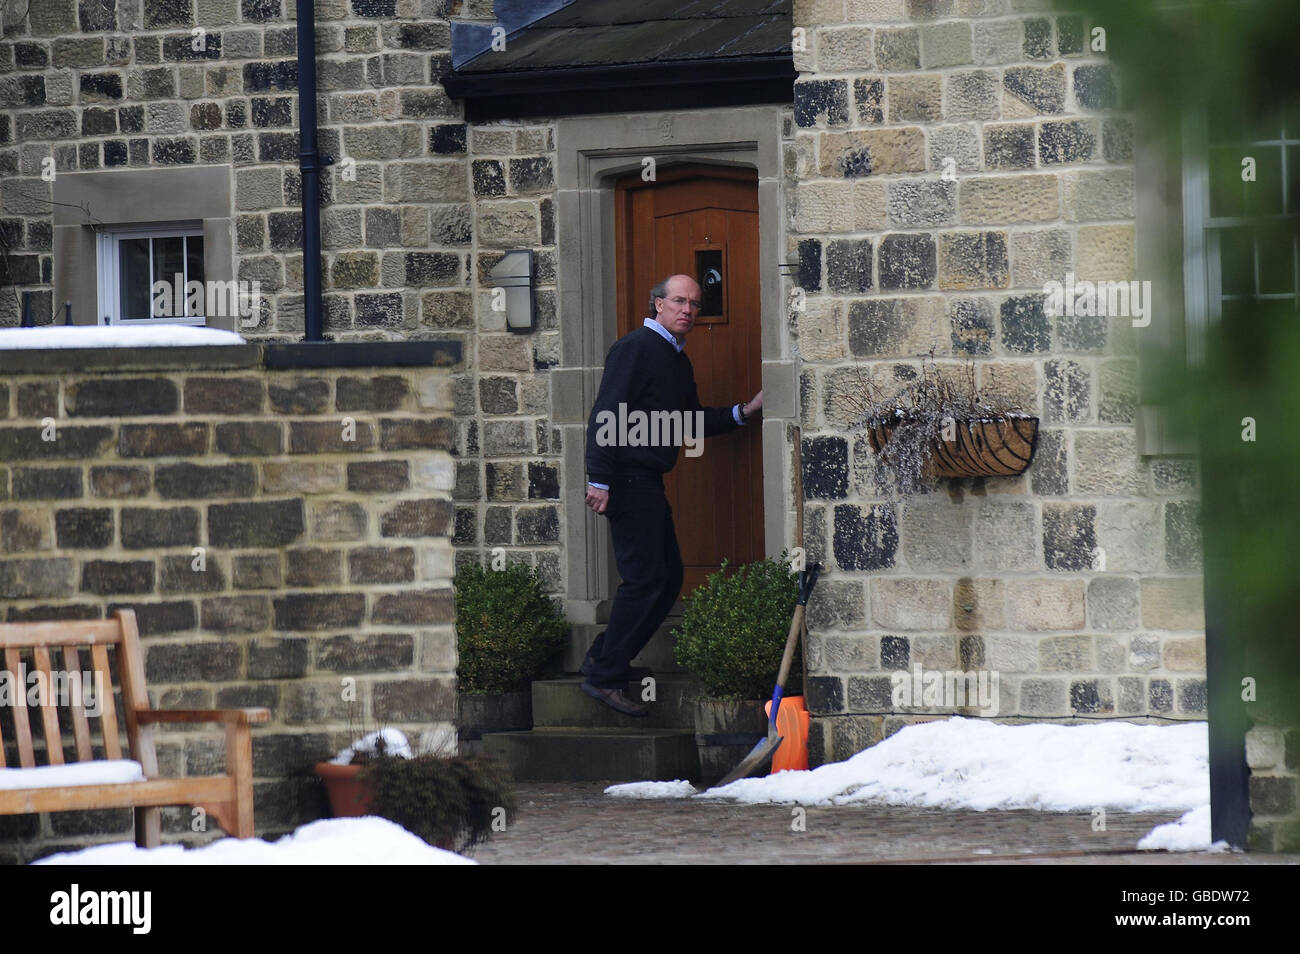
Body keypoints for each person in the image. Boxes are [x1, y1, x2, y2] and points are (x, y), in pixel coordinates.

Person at [581, 274, 763, 716]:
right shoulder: (635, 348)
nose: (688, 310)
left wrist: (743, 412)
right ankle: (604, 676)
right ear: (657, 303)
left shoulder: (676, 359)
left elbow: (688, 422)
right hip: (625, 478)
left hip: (647, 480)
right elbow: (606, 412)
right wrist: (599, 478)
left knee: (667, 580)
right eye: (679, 301)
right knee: (646, 579)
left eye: (695, 304)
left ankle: (604, 662)